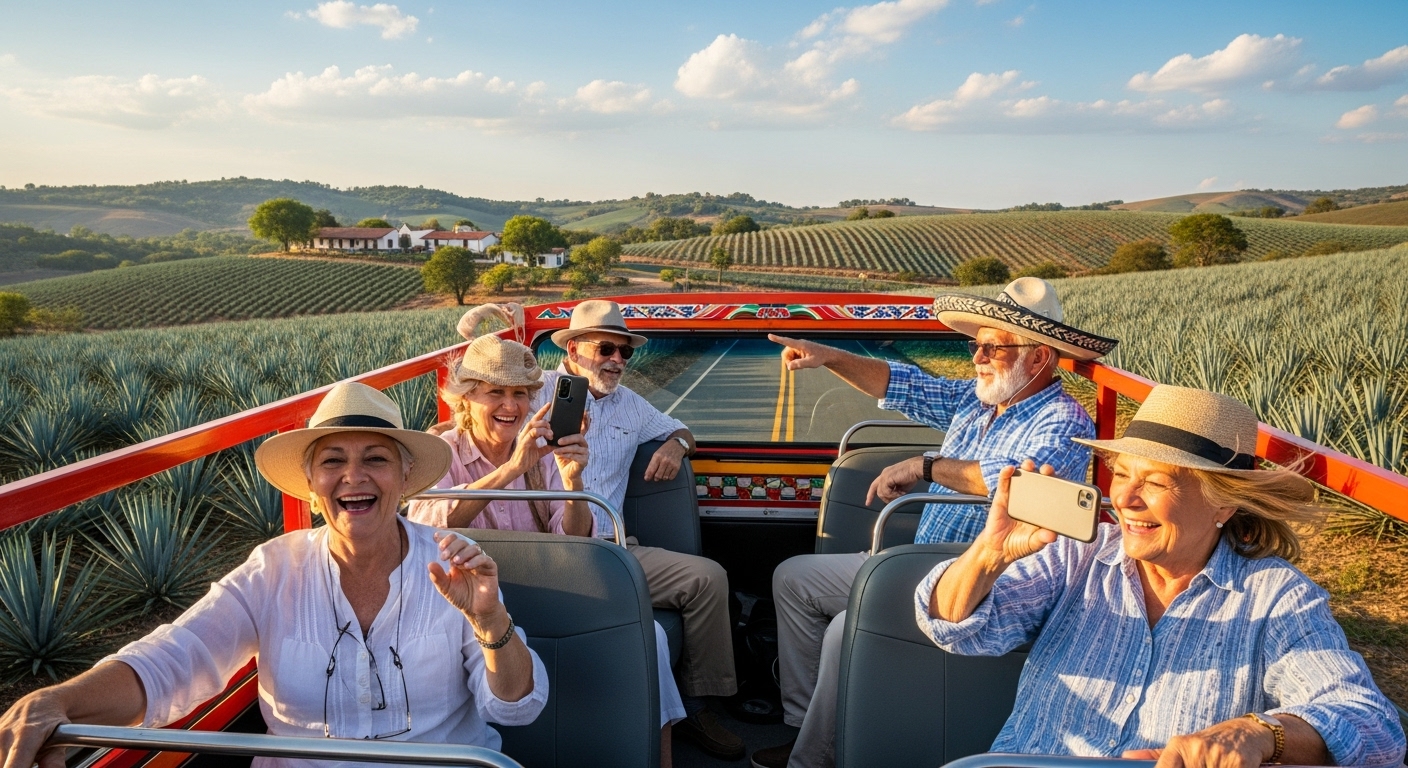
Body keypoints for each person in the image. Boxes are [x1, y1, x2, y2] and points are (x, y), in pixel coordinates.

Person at [0, 382, 547, 768]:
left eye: (376, 459)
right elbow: (175, 657)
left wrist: (491, 621)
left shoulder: (454, 558)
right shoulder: (273, 569)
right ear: (310, 484)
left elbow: (516, 705)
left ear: (404, 477)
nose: (353, 476)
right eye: (332, 461)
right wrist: (61, 701)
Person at [918, 385, 1407, 768]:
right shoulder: (1076, 557)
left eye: (1154, 482)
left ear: (1223, 501)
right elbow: (953, 628)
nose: (1126, 498)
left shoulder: (1275, 597)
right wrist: (989, 553)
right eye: (1122, 473)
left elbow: (1371, 725)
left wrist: (1260, 734)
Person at [754, 277, 1118, 768]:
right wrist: (830, 356)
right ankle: (807, 724)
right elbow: (898, 383)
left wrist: (924, 465)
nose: (977, 357)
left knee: (846, 629)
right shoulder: (980, 402)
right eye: (976, 344)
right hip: (914, 561)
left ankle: (814, 758)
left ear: (1038, 359)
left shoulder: (1064, 422)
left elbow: (1009, 484)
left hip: (976, 575)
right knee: (792, 578)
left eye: (992, 347)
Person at [406, 334, 688, 763]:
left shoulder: (545, 452)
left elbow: (575, 544)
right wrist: (511, 469)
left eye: (520, 393)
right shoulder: (442, 454)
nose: (510, 406)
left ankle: (658, 756)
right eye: (495, 393)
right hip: (468, 605)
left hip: (547, 589)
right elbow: (428, 523)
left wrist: (573, 481)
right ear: (466, 399)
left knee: (648, 635)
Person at [527, 299, 743, 760]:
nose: (617, 361)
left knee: (709, 579)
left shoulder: (633, 405)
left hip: (613, 547)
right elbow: (476, 416)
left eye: (626, 353)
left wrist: (674, 447)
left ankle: (703, 705)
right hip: (539, 548)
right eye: (607, 349)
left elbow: (685, 430)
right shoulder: (532, 393)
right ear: (574, 349)